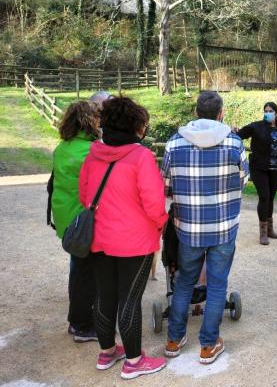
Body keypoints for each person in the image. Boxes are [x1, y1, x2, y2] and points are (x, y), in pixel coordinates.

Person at [79, 96, 168, 380]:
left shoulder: (93, 154)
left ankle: (107, 352)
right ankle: (134, 360)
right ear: (135, 125)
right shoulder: (140, 156)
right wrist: (162, 224)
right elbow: (154, 202)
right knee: (130, 299)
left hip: (99, 238)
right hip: (135, 241)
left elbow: (85, 196)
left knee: (105, 296)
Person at [162, 91, 248, 364]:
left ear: (196, 113)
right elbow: (244, 179)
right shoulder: (234, 143)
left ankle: (174, 340)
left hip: (188, 227)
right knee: (217, 285)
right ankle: (208, 345)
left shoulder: (174, 144)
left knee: (184, 282)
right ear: (220, 113)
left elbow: (166, 186)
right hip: (224, 226)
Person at [50, 101, 100, 343]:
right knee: (84, 274)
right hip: (83, 220)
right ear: (89, 121)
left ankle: (81, 319)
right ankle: (80, 324)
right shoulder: (90, 152)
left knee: (79, 269)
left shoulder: (62, 148)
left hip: (66, 218)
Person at [236, 102, 277, 245]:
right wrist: (234, 131)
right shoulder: (256, 126)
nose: (267, 113)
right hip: (259, 168)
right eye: (265, 111)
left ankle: (270, 229)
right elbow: (240, 134)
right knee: (264, 196)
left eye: (270, 111)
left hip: (276, 168)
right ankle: (262, 232)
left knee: (270, 198)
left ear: (276, 113)